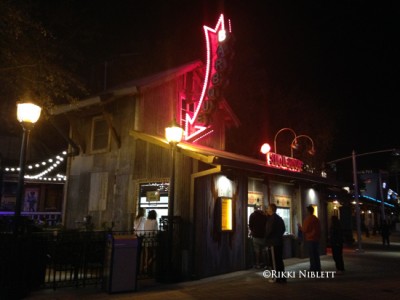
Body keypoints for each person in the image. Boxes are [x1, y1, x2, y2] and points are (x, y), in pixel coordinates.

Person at [265, 203, 286, 283]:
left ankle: (276, 278)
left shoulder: (272, 219)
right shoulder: (279, 218)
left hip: (273, 243)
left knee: (274, 261)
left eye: (268, 208)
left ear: (271, 209)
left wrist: (266, 238)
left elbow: (269, 231)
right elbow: (283, 229)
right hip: (279, 242)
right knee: (279, 260)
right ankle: (282, 277)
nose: (266, 209)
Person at [299, 205, 321, 272]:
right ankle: (318, 269)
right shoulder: (316, 219)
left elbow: (304, 230)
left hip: (310, 239)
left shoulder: (308, 220)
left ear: (308, 211)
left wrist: (300, 227)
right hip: (316, 239)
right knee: (316, 255)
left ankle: (313, 269)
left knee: (312, 255)